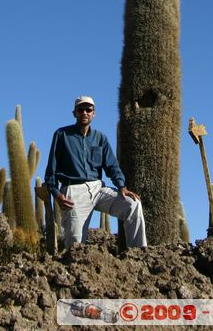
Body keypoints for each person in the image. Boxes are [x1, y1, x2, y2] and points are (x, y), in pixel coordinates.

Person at [44, 95, 147, 248]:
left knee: (132, 205)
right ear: (74, 113)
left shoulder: (100, 139)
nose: (84, 113)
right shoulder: (62, 135)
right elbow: (51, 170)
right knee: (75, 244)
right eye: (81, 110)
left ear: (94, 113)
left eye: (88, 109)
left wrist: (121, 187)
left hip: (97, 189)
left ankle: (139, 254)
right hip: (74, 191)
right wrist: (56, 194)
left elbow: (111, 166)